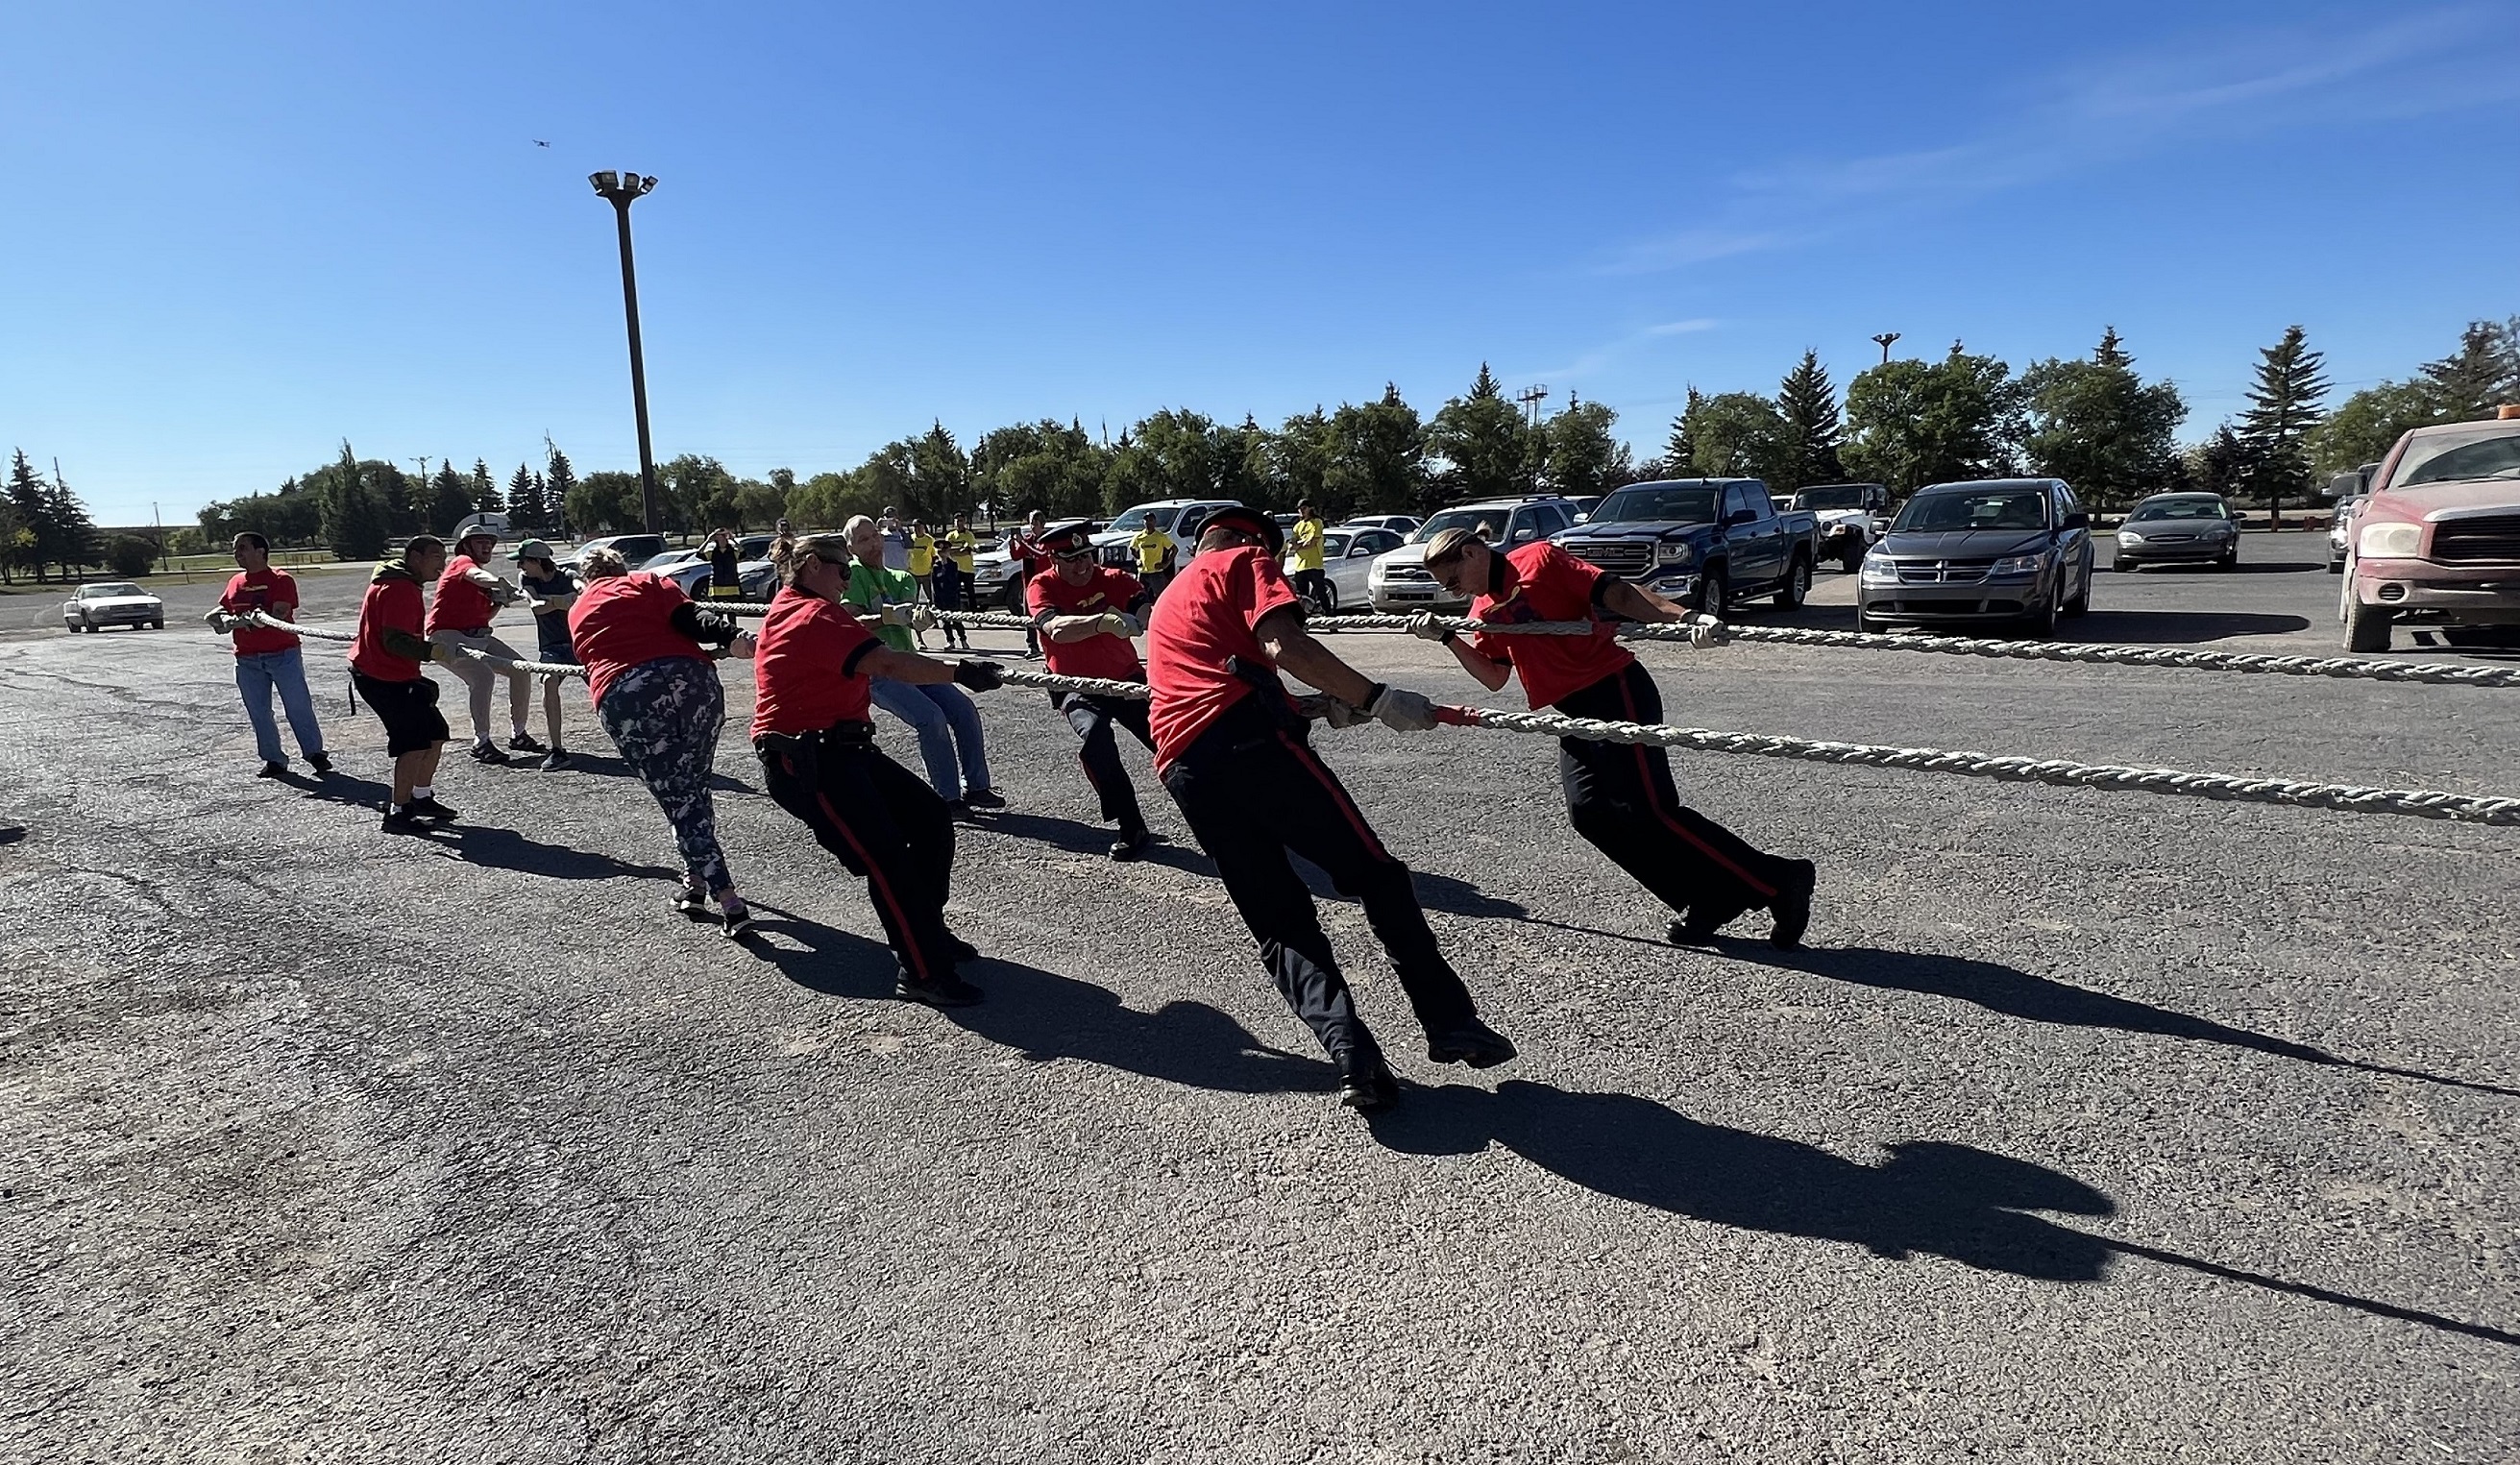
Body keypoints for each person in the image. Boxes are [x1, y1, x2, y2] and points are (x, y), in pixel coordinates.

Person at [1144, 505, 1514, 1113]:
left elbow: (1224, 678)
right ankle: (1450, 1022)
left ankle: (1354, 1060)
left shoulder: (1171, 596)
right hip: (1251, 746)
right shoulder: (1246, 559)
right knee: (1377, 876)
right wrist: (1377, 697)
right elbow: (1281, 643)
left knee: (1278, 918)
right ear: (1256, 542)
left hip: (1184, 766)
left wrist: (1318, 708)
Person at [1417, 526, 1816, 948]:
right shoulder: (1482, 610)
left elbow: (1618, 594)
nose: (1456, 593)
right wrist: (1448, 637)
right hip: (1572, 713)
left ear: (1472, 554)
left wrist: (1686, 617)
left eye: (1455, 581)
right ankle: (1709, 898)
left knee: (1651, 811)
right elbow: (1495, 677)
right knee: (1590, 814)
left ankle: (1778, 880)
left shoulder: (1539, 559)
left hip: (1616, 690)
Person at [751, 531, 1007, 1007]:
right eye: (841, 570)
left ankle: (925, 933)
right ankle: (923, 971)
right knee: (887, 858)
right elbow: (886, 664)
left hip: (842, 751)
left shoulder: (812, 609)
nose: (848, 579)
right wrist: (959, 672)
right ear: (810, 565)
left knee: (931, 819)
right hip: (808, 760)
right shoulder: (808, 614)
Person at [569, 546, 759, 936]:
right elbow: (692, 617)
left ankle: (728, 898)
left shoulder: (579, 606)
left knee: (677, 796)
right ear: (623, 568)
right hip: (693, 681)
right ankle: (695, 884)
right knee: (693, 788)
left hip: (629, 693)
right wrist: (733, 636)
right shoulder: (649, 581)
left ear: (586, 578)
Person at [840, 514, 1004, 813]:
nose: (873, 543)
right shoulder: (852, 576)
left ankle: (977, 787)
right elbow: (848, 623)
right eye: (862, 539)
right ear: (850, 547)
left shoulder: (901, 577)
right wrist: (887, 617)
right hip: (877, 671)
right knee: (931, 718)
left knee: (964, 710)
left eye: (874, 535)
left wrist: (920, 619)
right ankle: (947, 797)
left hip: (911, 663)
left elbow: (915, 622)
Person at [1027, 521, 1158, 860]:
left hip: (1125, 678)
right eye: (1073, 560)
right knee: (1095, 737)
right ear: (1054, 559)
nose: (1084, 566)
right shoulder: (1041, 586)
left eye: (1087, 556)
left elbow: (1142, 604)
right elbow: (1054, 629)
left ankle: (1221, 809)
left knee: (1169, 737)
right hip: (1074, 685)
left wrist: (1143, 617)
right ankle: (1131, 825)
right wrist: (1100, 621)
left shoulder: (1114, 578)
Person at [351, 536, 456, 831]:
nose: (442, 564)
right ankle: (398, 812)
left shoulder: (397, 581)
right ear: (415, 558)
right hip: (383, 677)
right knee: (412, 744)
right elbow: (395, 641)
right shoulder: (401, 588)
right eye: (436, 557)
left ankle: (420, 795)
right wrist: (429, 651)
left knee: (436, 733)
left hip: (391, 674)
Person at [207, 532, 330, 779]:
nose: (237, 554)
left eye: (243, 548)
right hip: (247, 658)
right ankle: (274, 759)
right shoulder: (235, 581)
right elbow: (224, 608)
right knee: (259, 711)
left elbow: (279, 614)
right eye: (235, 550)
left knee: (297, 706)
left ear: (260, 551)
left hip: (282, 654)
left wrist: (242, 621)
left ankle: (314, 752)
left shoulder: (281, 579)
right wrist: (219, 617)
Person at [426, 524, 537, 764]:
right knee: (483, 677)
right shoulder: (462, 563)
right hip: (446, 636)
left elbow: (483, 618)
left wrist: (498, 602)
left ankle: (519, 734)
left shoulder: (480, 584)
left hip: (477, 636)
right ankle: (481, 742)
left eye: (489, 542)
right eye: (480, 542)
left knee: (521, 669)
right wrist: (497, 582)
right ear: (466, 546)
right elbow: (477, 575)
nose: (486, 546)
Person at [511, 538, 581, 770]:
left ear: (536, 560)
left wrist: (572, 597)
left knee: (607, 689)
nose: (520, 567)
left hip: (579, 643)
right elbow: (536, 606)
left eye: (523, 562)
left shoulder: (567, 576)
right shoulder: (527, 579)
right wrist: (561, 602)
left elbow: (583, 593)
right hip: (551, 647)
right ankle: (558, 749)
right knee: (548, 682)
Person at [1009, 509, 1052, 657]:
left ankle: (1049, 647)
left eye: (1034, 524)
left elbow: (1040, 555)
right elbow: (1016, 556)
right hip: (1028, 584)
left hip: (1044, 584)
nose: (1031, 527)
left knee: (1044, 615)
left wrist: (1023, 544)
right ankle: (1032, 646)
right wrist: (1013, 544)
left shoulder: (1046, 539)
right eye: (1030, 523)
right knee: (1028, 616)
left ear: (1042, 524)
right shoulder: (1028, 540)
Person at [935, 514, 978, 650]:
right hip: (941, 599)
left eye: (945, 550)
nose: (943, 553)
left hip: (952, 597)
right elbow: (934, 584)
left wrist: (952, 556)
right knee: (945, 621)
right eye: (940, 551)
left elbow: (967, 551)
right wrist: (935, 600)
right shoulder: (936, 567)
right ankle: (950, 640)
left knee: (957, 619)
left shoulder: (953, 565)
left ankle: (963, 639)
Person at [1285, 501, 1329, 608]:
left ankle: (1328, 614)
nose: (1301, 511)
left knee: (1320, 592)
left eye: (1304, 508)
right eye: (1299, 509)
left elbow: (1312, 543)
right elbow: (1291, 545)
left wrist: (1298, 545)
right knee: (1301, 595)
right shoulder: (1297, 526)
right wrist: (1301, 543)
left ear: (1310, 508)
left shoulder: (1317, 522)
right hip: (1300, 566)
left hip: (1315, 564)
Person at [1129, 515, 1178, 598]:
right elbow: (1132, 549)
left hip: (1156, 573)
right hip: (1143, 573)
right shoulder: (1139, 537)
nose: (1148, 522)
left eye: (1151, 520)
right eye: (1146, 520)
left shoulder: (1160, 536)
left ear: (1155, 522)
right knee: (1140, 596)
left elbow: (1174, 549)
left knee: (1160, 597)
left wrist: (1165, 564)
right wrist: (1137, 559)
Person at [906, 520, 939, 647]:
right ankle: (918, 632)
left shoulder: (929, 540)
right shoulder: (910, 539)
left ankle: (934, 619)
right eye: (915, 527)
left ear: (923, 527)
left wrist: (933, 567)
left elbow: (934, 555)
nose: (917, 529)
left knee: (931, 598)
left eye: (919, 527)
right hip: (913, 574)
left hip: (926, 574)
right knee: (914, 602)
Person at [702, 528, 745, 602]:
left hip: (732, 585)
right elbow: (699, 553)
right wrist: (707, 540)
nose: (722, 539)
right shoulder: (712, 552)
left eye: (724, 536)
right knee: (718, 611)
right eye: (719, 536)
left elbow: (743, 553)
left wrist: (733, 540)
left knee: (732, 610)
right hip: (716, 585)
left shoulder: (733, 551)